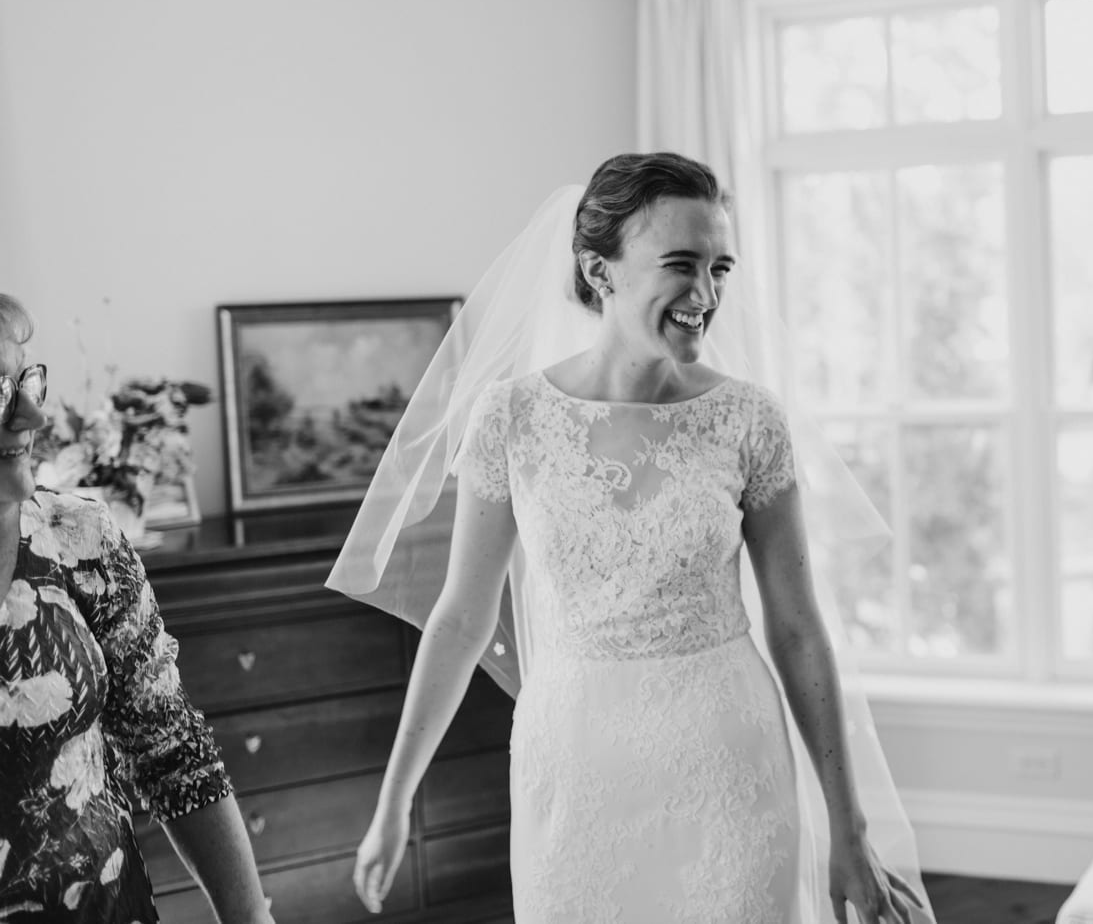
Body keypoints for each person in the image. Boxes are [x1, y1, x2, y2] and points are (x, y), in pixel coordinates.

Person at [328, 153, 934, 923]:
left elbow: (799, 628)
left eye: (721, 267)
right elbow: (461, 618)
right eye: (681, 265)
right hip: (573, 768)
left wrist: (848, 830)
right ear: (600, 270)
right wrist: (394, 802)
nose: (706, 295)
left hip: (730, 766)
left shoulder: (749, 421)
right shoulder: (510, 419)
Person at [0, 294, 272, 923]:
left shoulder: (81, 537)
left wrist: (251, 917)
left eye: (26, 381)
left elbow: (171, 749)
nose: (29, 415)